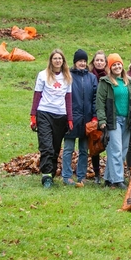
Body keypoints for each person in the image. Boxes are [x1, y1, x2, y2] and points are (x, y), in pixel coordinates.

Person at [95, 53, 131, 188]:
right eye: (114, 65)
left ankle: (109, 178)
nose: (117, 66)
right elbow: (100, 103)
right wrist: (102, 120)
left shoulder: (129, 82)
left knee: (123, 149)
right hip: (113, 120)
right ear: (110, 67)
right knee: (116, 149)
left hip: (127, 120)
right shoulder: (105, 82)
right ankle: (118, 179)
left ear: (122, 65)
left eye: (118, 64)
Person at [31, 49, 73, 188]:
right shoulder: (43, 75)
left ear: (63, 61)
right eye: (55, 58)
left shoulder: (67, 77)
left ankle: (52, 172)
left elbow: (68, 99)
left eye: (60, 58)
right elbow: (37, 95)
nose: (57, 61)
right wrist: (33, 116)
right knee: (46, 146)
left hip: (60, 115)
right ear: (51, 60)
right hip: (44, 113)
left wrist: (70, 119)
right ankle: (46, 176)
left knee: (55, 148)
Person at [63, 49, 96, 186]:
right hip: (71, 118)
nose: (82, 63)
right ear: (75, 62)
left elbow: (95, 98)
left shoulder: (91, 77)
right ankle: (67, 176)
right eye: (80, 61)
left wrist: (94, 116)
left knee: (84, 149)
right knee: (68, 149)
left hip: (87, 119)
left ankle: (81, 176)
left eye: (84, 61)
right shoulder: (68, 76)